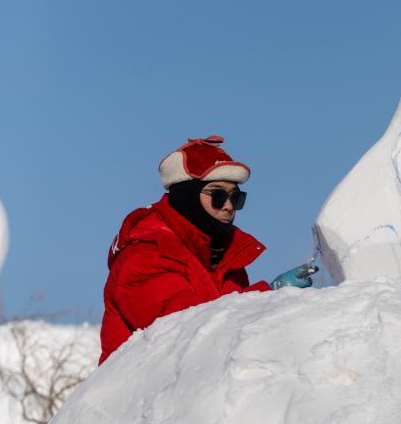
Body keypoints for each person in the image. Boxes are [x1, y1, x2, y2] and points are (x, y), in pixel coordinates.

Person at [99, 135, 316, 365]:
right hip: (147, 386)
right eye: (217, 196)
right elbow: (185, 329)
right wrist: (267, 295)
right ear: (187, 196)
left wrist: (273, 301)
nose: (229, 206)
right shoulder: (147, 255)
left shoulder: (225, 257)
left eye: (236, 197)